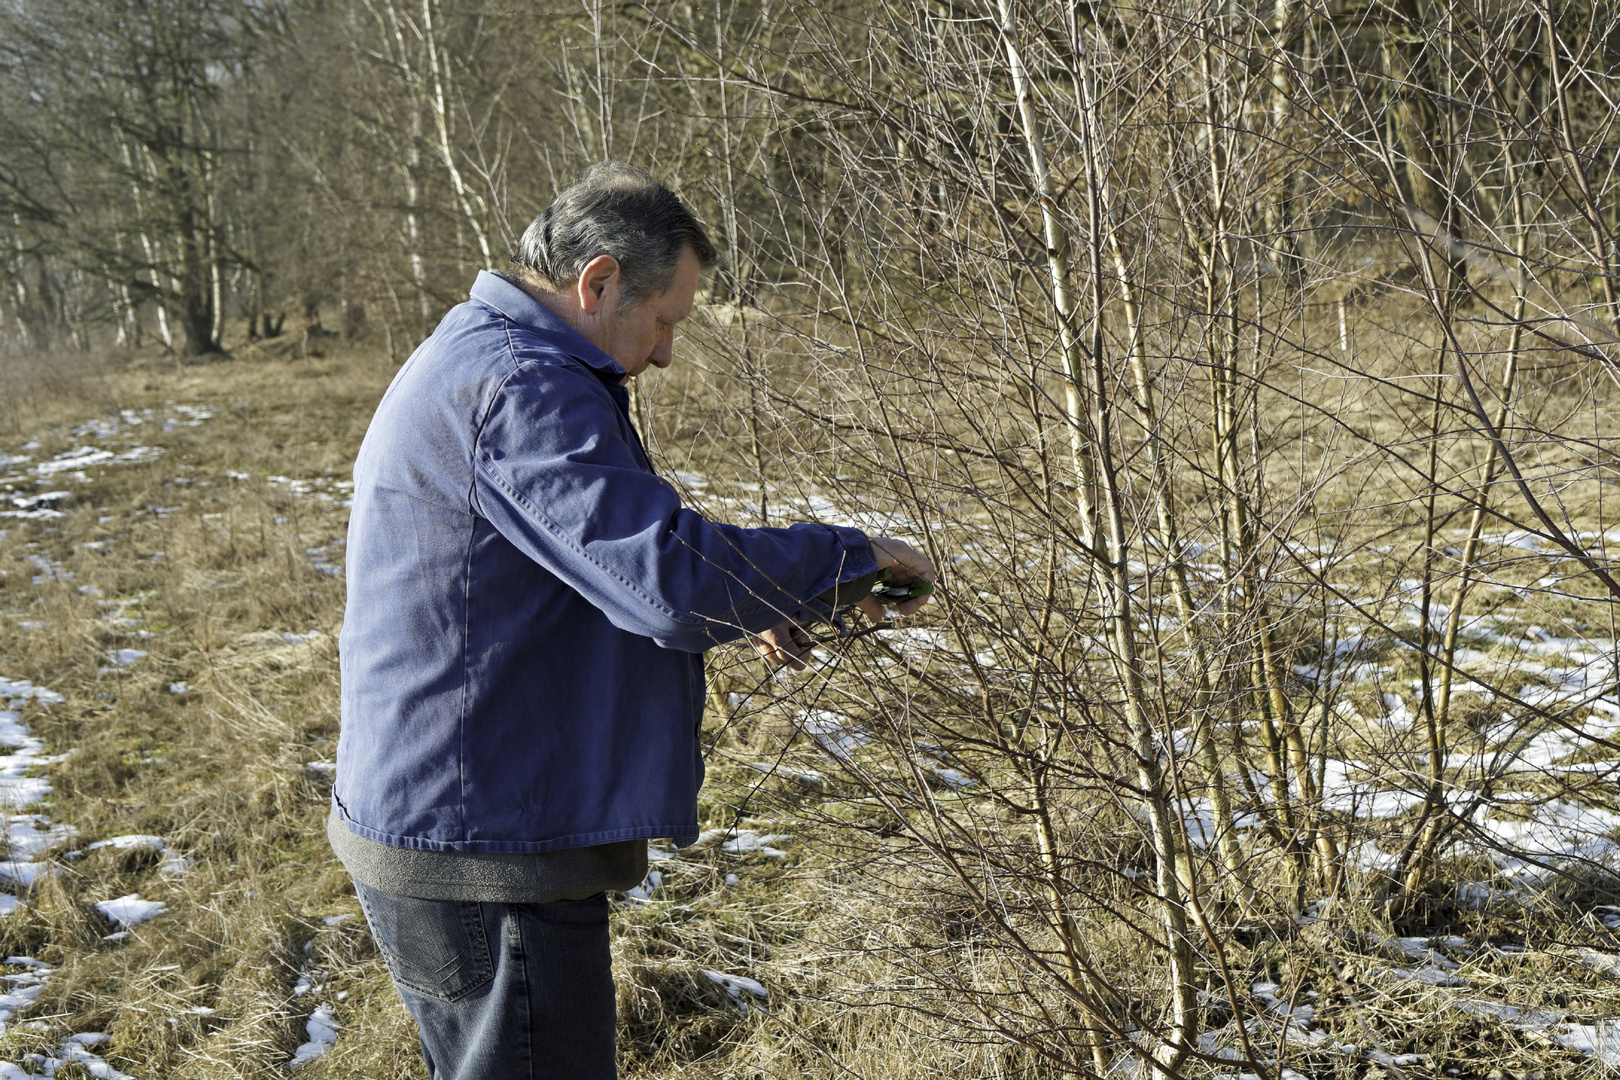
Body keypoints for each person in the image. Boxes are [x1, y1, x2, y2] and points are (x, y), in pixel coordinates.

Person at [329, 162, 936, 1079]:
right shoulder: (522, 387)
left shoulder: (490, 353)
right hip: (489, 853)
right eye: (663, 322)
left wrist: (772, 599)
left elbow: (588, 561)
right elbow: (660, 577)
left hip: (461, 821)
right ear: (598, 281)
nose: (662, 354)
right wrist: (847, 556)